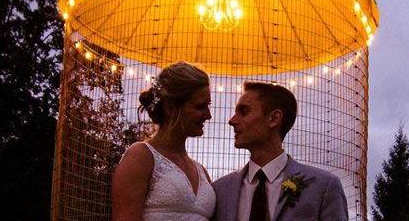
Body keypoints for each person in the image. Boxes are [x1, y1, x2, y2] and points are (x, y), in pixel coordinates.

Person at [213, 81, 348, 221]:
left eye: (244, 111)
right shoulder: (220, 190)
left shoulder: (323, 186)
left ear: (274, 119)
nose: (232, 120)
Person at [112, 61, 216, 221]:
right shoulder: (140, 156)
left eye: (208, 106)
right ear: (170, 108)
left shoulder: (201, 171)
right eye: (200, 106)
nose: (208, 115)